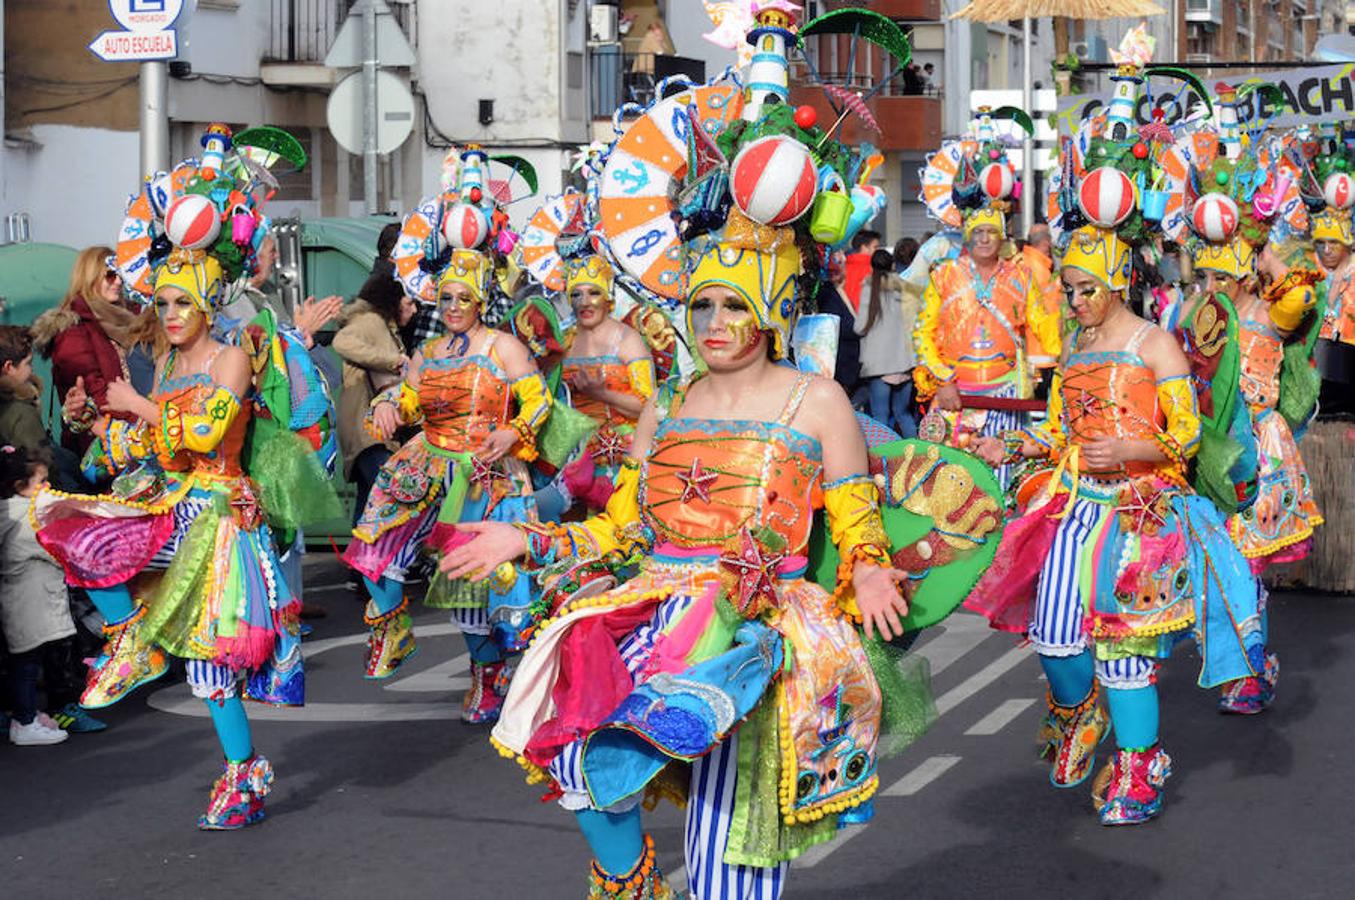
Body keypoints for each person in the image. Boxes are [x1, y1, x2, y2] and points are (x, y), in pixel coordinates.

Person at [441, 206, 919, 898]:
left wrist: (870, 569)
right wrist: (529, 536)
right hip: (657, 610)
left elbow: (853, 511)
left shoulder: (817, 401)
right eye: (702, 305)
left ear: (774, 312)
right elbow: (623, 530)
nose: (714, 323)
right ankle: (630, 882)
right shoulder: (667, 402)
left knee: (726, 845)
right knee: (577, 755)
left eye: (735, 305)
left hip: (756, 628)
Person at [970, 224, 1264, 825]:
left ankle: (1140, 763)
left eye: (1085, 290)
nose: (1074, 303)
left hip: (1139, 514)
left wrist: (1135, 448)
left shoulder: (1156, 345)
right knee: (1053, 636)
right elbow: (1059, 431)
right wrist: (1018, 447)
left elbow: (1184, 437)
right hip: (1075, 506)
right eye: (1069, 291)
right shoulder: (1076, 347)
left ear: (1116, 284)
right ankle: (1082, 711)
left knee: (1124, 656)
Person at [34, 248, 300, 828]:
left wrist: (138, 406)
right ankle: (133, 641)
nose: (172, 314)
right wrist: (94, 423)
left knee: (211, 672)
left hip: (221, 519)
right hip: (174, 506)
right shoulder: (170, 369)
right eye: (162, 303)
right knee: (75, 529)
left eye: (184, 302)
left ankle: (243, 775)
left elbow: (204, 435)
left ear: (207, 305)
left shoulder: (230, 359)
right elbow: (141, 450)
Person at [342, 246, 551, 723]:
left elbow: (539, 401)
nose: (453, 307)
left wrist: (514, 431)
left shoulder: (503, 347)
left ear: (480, 302)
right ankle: (392, 627)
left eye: (463, 298)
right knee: (374, 544)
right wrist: (388, 406)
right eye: (446, 298)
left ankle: (487, 672)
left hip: (483, 472)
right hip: (427, 463)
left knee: (468, 586)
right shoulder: (428, 352)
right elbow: (410, 398)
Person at [913, 206, 1061, 486]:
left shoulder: (1021, 277)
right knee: (949, 486)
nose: (983, 239)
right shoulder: (944, 275)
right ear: (968, 237)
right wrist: (943, 380)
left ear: (1002, 237)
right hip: (954, 396)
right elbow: (922, 334)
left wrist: (1072, 352)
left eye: (991, 232)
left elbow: (1044, 326)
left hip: (1007, 395)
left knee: (1001, 485)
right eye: (977, 232)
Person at [0, 447, 103, 744]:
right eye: (40, 481)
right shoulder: (26, 517)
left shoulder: (18, 513)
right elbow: (53, 549)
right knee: (27, 666)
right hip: (30, 603)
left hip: (32, 601)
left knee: (31, 661)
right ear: (21, 486)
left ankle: (29, 714)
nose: (47, 486)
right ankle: (24, 722)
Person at [31, 246, 157, 460]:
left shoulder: (132, 319)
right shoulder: (73, 330)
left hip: (140, 435)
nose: (118, 281)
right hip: (102, 447)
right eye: (109, 275)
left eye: (120, 274)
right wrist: (145, 421)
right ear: (90, 277)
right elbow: (94, 396)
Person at [556, 254, 655, 507]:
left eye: (593, 293)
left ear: (608, 296)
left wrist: (602, 394)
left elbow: (650, 405)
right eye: (577, 294)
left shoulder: (627, 339)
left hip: (620, 457)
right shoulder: (563, 341)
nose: (585, 302)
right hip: (573, 458)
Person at [333, 267, 417, 528]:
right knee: (393, 497)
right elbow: (342, 341)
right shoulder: (371, 322)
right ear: (393, 301)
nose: (414, 310)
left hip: (367, 431)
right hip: (369, 432)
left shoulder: (383, 326)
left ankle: (361, 567)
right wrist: (394, 360)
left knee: (369, 505)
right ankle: (376, 567)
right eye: (409, 303)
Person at [856, 248, 918, 436]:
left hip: (879, 364)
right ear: (892, 265)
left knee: (880, 418)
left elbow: (859, 327)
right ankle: (918, 457)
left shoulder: (869, 288)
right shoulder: (906, 288)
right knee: (904, 414)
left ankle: (884, 461)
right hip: (905, 362)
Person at [0, 327, 48, 452]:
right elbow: (43, 467)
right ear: (9, 367)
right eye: (28, 363)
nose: (31, 370)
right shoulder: (22, 414)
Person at [842, 229, 880, 312]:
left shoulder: (842, 268)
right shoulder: (874, 269)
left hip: (846, 314)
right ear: (864, 247)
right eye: (875, 247)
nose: (878, 250)